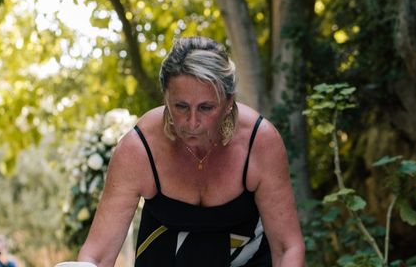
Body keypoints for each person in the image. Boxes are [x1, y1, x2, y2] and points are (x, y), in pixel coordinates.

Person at [73, 36, 305, 267]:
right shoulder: (139, 149)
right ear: (166, 97)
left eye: (206, 107)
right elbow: (97, 255)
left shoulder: (259, 142)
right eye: (181, 106)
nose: (192, 122)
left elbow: (287, 248)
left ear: (228, 103)